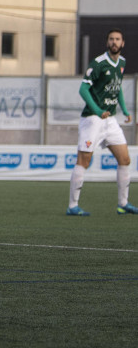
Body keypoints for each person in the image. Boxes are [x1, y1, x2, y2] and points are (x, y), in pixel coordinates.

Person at [67, 28, 138, 216]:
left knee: (125, 159)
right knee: (84, 160)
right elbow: (83, 90)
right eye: (111, 39)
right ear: (107, 43)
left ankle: (123, 204)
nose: (114, 42)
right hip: (92, 119)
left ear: (123, 43)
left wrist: (124, 109)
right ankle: (73, 206)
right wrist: (98, 111)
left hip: (111, 120)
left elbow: (118, 87)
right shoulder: (98, 63)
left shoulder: (121, 62)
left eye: (118, 39)